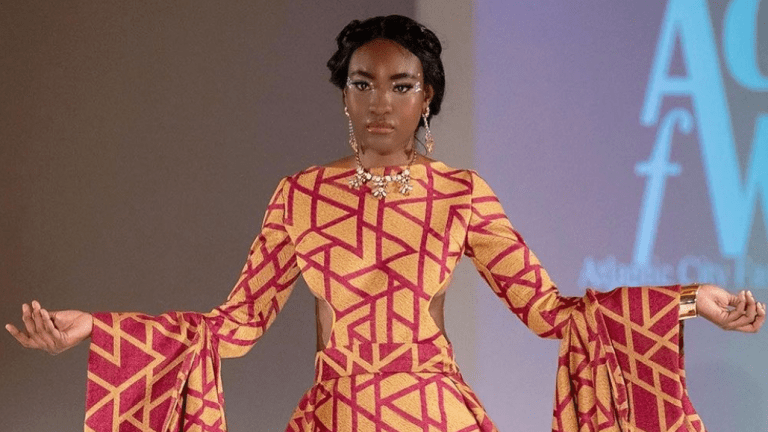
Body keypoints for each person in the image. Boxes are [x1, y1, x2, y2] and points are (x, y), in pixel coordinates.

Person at [6, 15, 765, 432]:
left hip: (438, 417)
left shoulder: (461, 194)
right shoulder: (300, 196)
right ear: (343, 94)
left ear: (427, 97)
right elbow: (233, 329)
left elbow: (553, 314)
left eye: (401, 86)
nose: (380, 102)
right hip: (334, 416)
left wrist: (691, 300)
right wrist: (98, 330)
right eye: (363, 83)